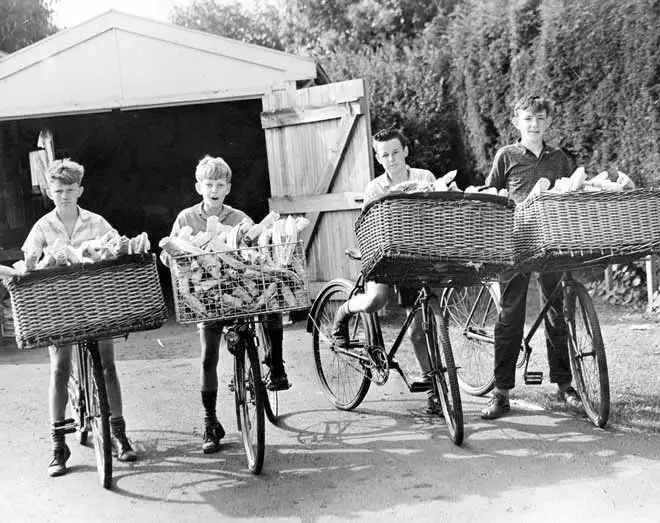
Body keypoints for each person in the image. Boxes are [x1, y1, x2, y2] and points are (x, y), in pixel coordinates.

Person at [162, 155, 289, 454]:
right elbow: (169, 253)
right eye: (209, 184)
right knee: (208, 357)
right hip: (206, 297)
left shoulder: (239, 217)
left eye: (220, 184)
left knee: (271, 298)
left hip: (239, 289)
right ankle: (210, 421)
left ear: (228, 188)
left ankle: (276, 364)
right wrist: (173, 256)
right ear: (199, 187)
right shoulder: (186, 218)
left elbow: (256, 251)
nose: (214, 189)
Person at [22, 159, 137, 478]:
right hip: (58, 308)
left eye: (70, 190)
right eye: (58, 191)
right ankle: (59, 443)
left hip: (97, 303)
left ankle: (118, 433)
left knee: (108, 366)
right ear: (49, 192)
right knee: (60, 369)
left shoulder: (97, 222)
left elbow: (116, 249)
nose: (65, 196)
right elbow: (29, 265)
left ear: (80, 190)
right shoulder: (43, 227)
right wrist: (39, 259)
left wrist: (122, 248)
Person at [481, 94, 583, 419]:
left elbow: (571, 193)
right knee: (510, 315)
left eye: (540, 118)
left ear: (548, 121)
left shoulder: (560, 158)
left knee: (557, 312)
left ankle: (565, 385)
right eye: (528, 119)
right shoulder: (506, 156)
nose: (534, 124)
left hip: (552, 243)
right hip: (516, 244)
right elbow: (492, 195)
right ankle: (501, 392)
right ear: (516, 122)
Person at [331, 128, 437, 412]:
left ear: (406, 152)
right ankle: (343, 312)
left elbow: (436, 213)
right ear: (378, 158)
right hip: (386, 255)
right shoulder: (374, 188)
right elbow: (369, 226)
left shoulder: (425, 178)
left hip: (417, 256)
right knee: (376, 300)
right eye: (384, 155)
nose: (391, 159)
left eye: (395, 152)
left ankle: (435, 391)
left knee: (420, 329)